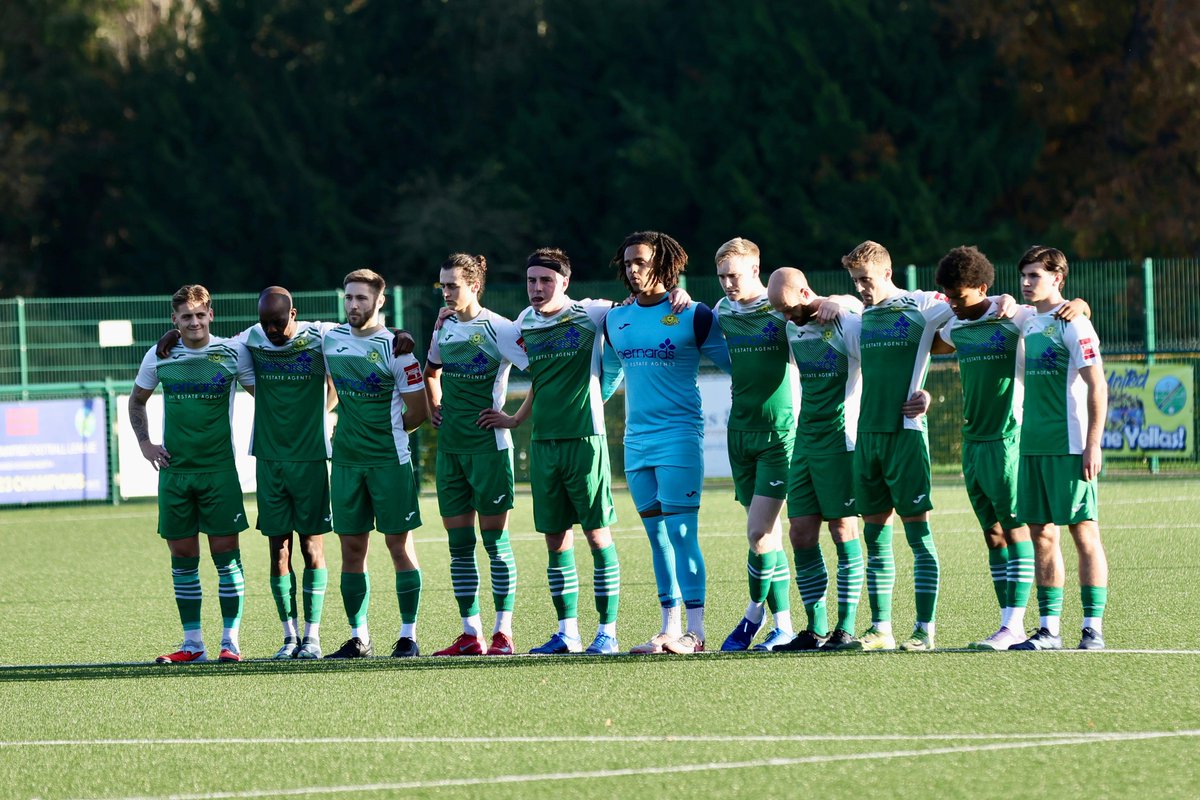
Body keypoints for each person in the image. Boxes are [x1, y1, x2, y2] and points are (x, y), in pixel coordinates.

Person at [155, 289, 416, 660]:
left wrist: (399, 332)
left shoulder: (321, 335)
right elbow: (205, 342)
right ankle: (288, 636)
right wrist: (174, 336)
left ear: (294, 313)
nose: (273, 331)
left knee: (312, 547)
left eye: (279, 322)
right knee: (278, 551)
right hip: (269, 458)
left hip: (310, 458)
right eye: (267, 324)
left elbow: (363, 330)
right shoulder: (251, 338)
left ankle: (313, 637)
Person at [480, 248, 689, 655]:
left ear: (565, 282)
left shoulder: (592, 313)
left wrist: (675, 295)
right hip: (544, 445)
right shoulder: (524, 323)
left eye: (546, 280)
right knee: (555, 540)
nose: (537, 289)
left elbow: (641, 303)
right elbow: (540, 376)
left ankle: (607, 632)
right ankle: (567, 633)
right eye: (531, 281)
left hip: (585, 440)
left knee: (596, 536)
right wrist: (517, 418)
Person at [843, 240, 1011, 652]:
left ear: (887, 273)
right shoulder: (857, 315)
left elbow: (973, 309)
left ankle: (924, 629)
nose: (863, 287)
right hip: (866, 435)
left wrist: (1006, 298)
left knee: (919, 536)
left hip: (906, 435)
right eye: (855, 281)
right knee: (875, 536)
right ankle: (881, 628)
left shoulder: (920, 305)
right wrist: (834, 299)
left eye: (867, 279)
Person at [931, 247, 1090, 650]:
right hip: (973, 443)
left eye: (960, 296)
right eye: (948, 296)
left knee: (1018, 529)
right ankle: (1008, 623)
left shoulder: (1014, 315)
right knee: (993, 535)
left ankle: (1016, 625)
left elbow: (1058, 313)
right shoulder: (955, 324)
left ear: (982, 287)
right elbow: (931, 345)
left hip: (1010, 439)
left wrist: (1079, 304)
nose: (953, 303)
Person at [601, 231, 731, 655]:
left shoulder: (694, 313)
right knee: (656, 538)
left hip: (679, 436)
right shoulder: (614, 319)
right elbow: (605, 380)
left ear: (665, 263)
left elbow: (739, 364)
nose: (632, 269)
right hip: (636, 442)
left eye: (640, 261)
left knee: (680, 532)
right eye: (627, 263)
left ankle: (696, 631)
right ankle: (668, 628)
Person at [129, 284, 254, 664]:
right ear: (175, 320)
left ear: (211, 315)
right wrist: (145, 444)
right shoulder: (159, 354)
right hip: (175, 473)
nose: (194, 322)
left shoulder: (233, 352)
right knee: (183, 557)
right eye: (186, 317)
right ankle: (193, 644)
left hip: (219, 471)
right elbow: (137, 400)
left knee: (226, 556)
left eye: (200, 315)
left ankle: (230, 642)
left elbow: (265, 394)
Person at [424, 253, 528, 656]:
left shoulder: (499, 328)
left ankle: (503, 632)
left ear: (474, 286)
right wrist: (436, 403)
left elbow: (542, 369)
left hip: (489, 450)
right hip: (451, 451)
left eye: (453, 285)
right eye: (443, 285)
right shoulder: (444, 326)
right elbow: (432, 370)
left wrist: (514, 418)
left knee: (495, 543)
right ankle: (471, 633)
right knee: (459, 546)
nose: (447, 292)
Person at [323, 268, 429, 659]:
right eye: (349, 297)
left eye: (362, 298)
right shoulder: (329, 337)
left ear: (379, 301)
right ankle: (358, 637)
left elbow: (418, 412)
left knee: (399, 547)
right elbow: (283, 327)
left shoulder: (397, 350)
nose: (353, 304)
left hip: (389, 461)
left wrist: (385, 433)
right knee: (352, 550)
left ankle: (408, 636)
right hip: (347, 463)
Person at [1009, 246, 1109, 651]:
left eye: (1035, 275)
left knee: (1084, 532)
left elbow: (1097, 385)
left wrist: (1093, 444)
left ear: (1058, 279)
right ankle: (1049, 629)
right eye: (1024, 275)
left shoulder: (1076, 323)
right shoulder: (1028, 321)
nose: (1027, 282)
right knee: (1041, 535)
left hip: (1069, 446)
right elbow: (991, 303)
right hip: (1031, 445)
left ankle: (1092, 627)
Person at [766, 267, 867, 651]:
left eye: (790, 307)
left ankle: (846, 626)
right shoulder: (790, 327)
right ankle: (815, 627)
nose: (786, 317)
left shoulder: (842, 319)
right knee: (801, 533)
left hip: (841, 441)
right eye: (780, 311)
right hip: (805, 442)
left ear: (807, 292)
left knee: (843, 530)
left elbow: (857, 307)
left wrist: (834, 301)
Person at [709, 239, 800, 651]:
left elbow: (829, 306)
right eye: (723, 276)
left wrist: (835, 301)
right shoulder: (721, 311)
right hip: (738, 432)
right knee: (766, 537)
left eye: (735, 275)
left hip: (779, 433)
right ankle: (784, 626)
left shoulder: (779, 308)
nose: (729, 284)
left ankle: (754, 616)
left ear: (756, 269)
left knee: (759, 533)